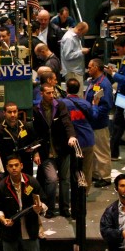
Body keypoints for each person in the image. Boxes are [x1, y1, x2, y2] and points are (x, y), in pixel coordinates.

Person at [33, 84, 79, 217]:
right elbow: (35, 132)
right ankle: (50, 209)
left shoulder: (60, 106)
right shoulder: (36, 109)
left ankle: (65, 209)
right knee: (52, 180)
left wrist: (71, 136)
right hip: (46, 151)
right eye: (48, 93)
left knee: (65, 180)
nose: (51, 95)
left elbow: (67, 122)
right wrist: (35, 151)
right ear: (41, 93)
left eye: (52, 92)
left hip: (62, 150)